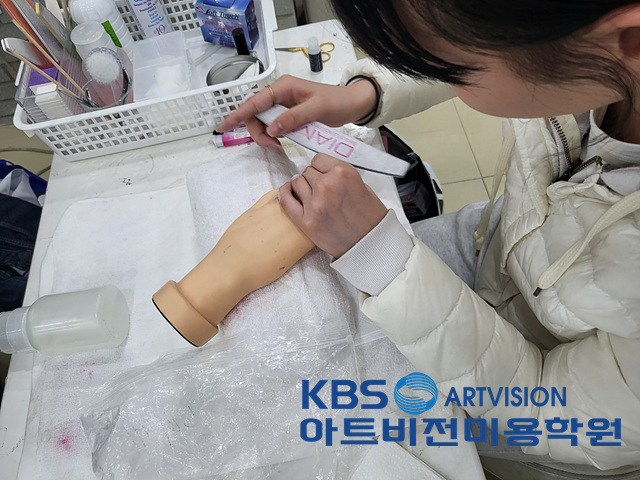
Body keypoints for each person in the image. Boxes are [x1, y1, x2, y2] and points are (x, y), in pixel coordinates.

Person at [217, 0, 640, 471]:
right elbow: (478, 51)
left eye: (451, 67)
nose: (440, 70)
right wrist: (365, 94)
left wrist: (382, 257)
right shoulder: (588, 54)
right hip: (497, 246)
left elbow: (547, 411)